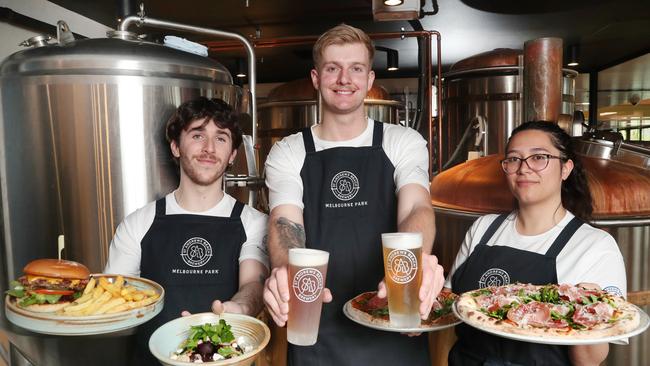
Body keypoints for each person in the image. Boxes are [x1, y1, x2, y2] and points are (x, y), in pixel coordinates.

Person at [263, 24, 445, 365]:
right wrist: (289, 270)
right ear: (316, 78)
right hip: (315, 326)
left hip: (392, 317)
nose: (344, 79)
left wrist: (414, 261)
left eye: (356, 69)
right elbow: (286, 223)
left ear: (370, 79)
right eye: (333, 68)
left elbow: (416, 207)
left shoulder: (401, 141)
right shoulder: (288, 151)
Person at [445, 121, 627, 366]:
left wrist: (586, 307)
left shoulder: (594, 246)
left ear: (566, 168)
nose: (524, 168)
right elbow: (449, 308)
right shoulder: (483, 229)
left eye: (539, 157)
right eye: (513, 159)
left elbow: (589, 362)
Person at [104, 97, 269, 365]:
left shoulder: (253, 222)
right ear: (175, 146)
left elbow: (253, 284)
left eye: (221, 138)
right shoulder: (138, 224)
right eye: (197, 135)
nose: (209, 148)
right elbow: (113, 302)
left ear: (232, 156)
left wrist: (237, 309)